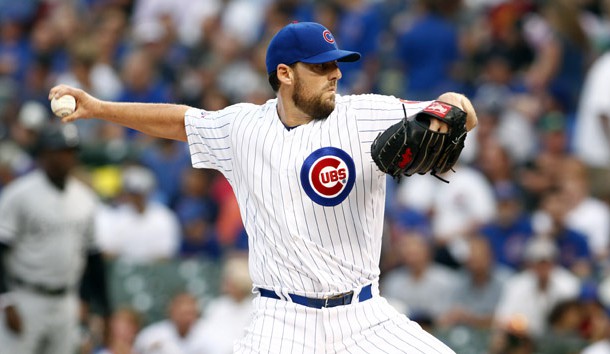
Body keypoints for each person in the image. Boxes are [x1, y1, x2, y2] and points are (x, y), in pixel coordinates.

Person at [49, 21, 477, 353]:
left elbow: (459, 109)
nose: (334, 75)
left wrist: (448, 113)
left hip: (364, 315)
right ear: (285, 74)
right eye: (321, 66)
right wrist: (100, 108)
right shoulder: (243, 128)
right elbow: (180, 120)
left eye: (336, 64)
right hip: (281, 319)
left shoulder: (364, 114)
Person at [0, 122, 109, 354]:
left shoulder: (85, 199)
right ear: (43, 154)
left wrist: (97, 305)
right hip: (24, 296)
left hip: (66, 299)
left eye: (69, 151)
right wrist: (6, 301)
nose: (64, 158)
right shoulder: (19, 195)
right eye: (58, 151)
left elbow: (93, 256)